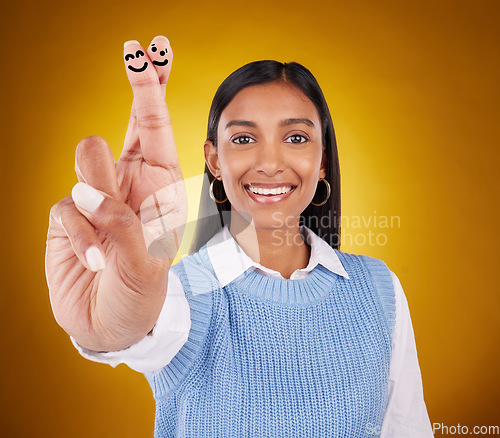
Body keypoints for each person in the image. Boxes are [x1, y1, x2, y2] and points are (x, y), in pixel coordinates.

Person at [45, 35, 433, 437]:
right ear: (214, 161)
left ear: (322, 161)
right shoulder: (182, 293)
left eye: (296, 138)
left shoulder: (377, 287)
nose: (268, 163)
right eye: (244, 139)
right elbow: (142, 323)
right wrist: (110, 325)